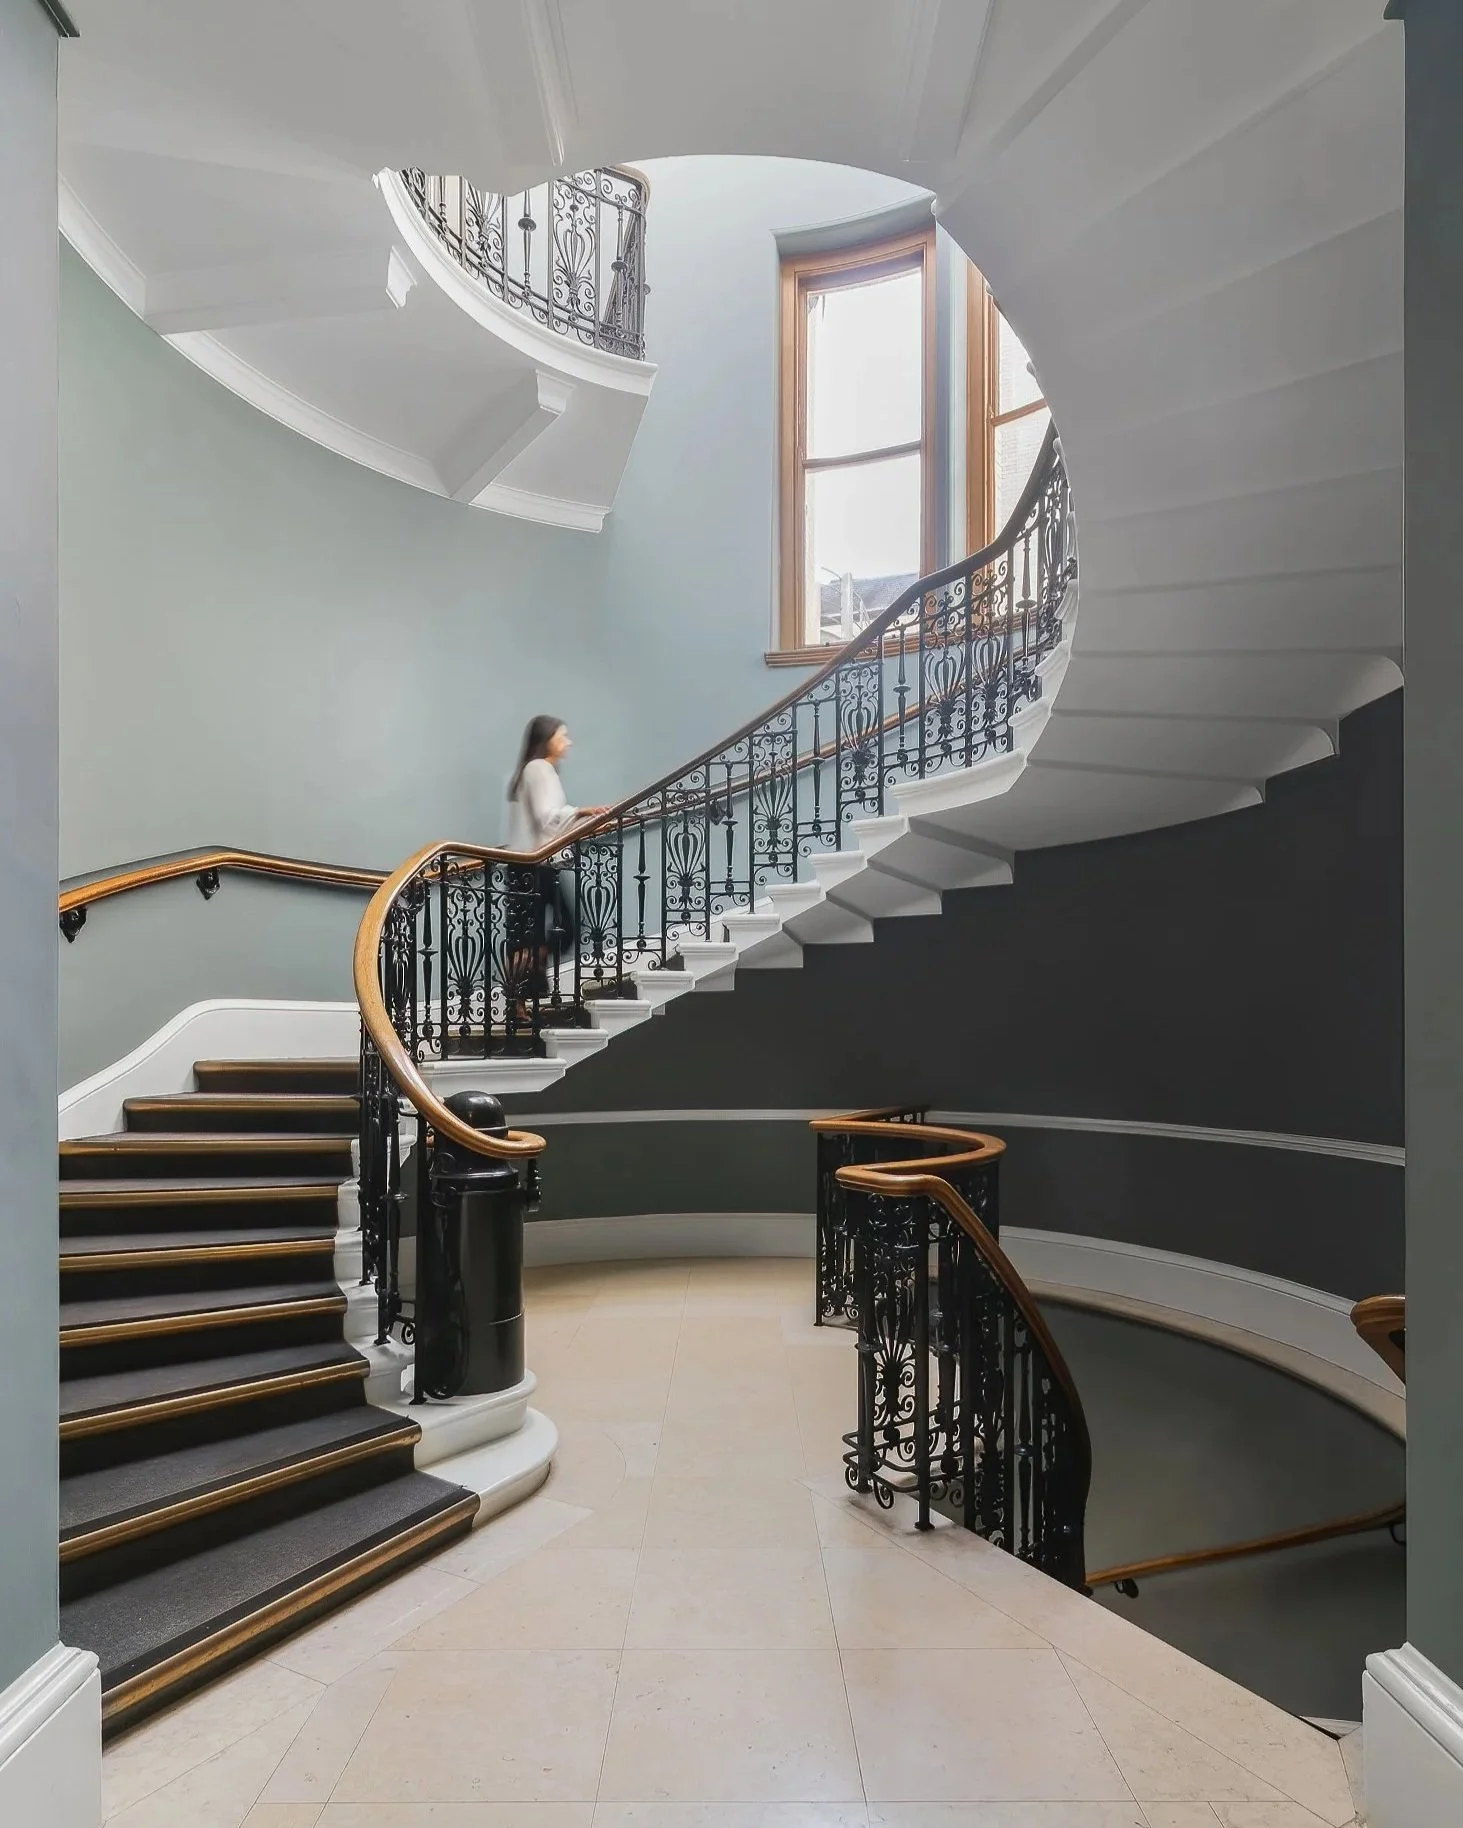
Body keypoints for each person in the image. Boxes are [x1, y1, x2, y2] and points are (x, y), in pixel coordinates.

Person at [505, 716, 609, 1016]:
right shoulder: (538, 768)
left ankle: (531, 975)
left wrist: (580, 817)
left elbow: (549, 819)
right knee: (530, 935)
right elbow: (546, 815)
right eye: (562, 735)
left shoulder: (540, 769)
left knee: (550, 931)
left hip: (538, 863)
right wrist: (582, 812)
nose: (568, 741)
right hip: (529, 865)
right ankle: (518, 1003)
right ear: (546, 739)